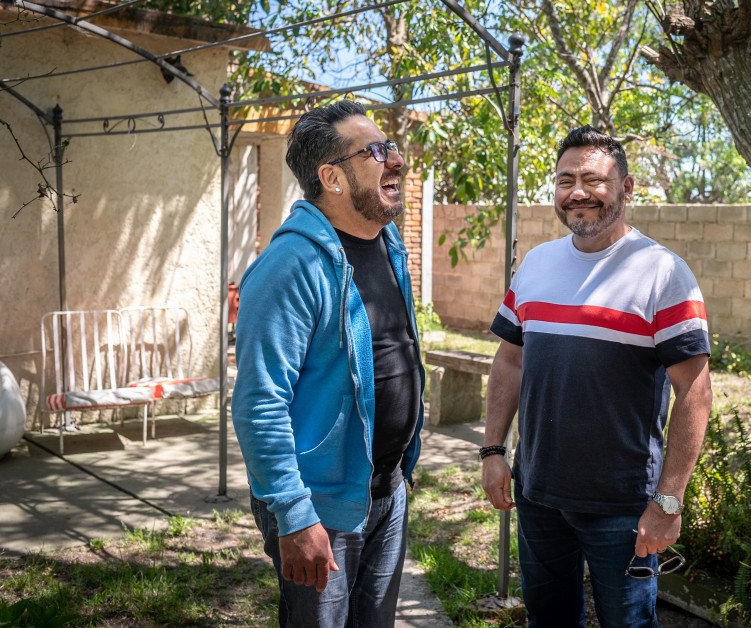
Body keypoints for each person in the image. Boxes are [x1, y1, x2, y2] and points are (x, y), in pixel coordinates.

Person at [481, 125, 714, 627]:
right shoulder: (537, 265)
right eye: (566, 180)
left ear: (626, 189)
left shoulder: (662, 273)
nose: (577, 192)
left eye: (593, 179)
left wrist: (668, 502)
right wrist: (493, 451)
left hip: (623, 505)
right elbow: (510, 360)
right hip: (537, 491)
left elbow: (694, 393)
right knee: (547, 619)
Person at [232, 100, 425, 628]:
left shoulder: (388, 246)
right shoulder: (288, 267)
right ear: (331, 178)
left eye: (392, 147)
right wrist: (294, 517)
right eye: (376, 151)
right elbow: (258, 402)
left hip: (386, 489)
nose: (397, 160)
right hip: (318, 505)